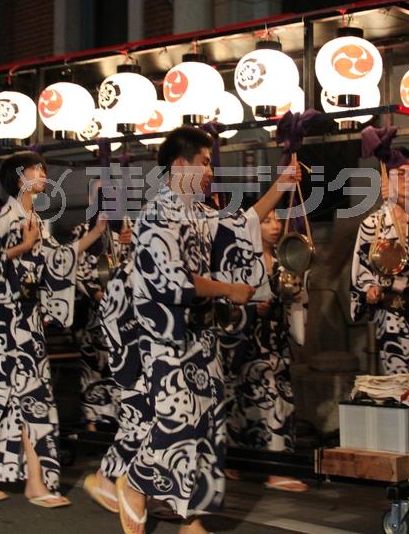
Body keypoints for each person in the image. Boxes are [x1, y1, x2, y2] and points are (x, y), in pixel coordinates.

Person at [107, 127, 296, 534]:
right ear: (180, 165)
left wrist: (280, 187)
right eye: (205, 161)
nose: (211, 170)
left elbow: (243, 225)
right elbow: (172, 282)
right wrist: (228, 288)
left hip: (202, 338)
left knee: (209, 428)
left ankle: (192, 518)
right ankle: (136, 483)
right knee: (176, 425)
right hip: (169, 339)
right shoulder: (157, 215)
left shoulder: (198, 212)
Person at [0, 152, 106, 507]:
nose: (42, 174)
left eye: (42, 169)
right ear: (17, 176)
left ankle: (35, 481)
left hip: (26, 321)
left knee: (34, 402)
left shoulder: (35, 218)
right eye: (35, 169)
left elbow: (60, 258)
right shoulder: (5, 217)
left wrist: (99, 230)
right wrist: (21, 249)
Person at [227, 208, 309, 492]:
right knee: (253, 402)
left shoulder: (282, 261)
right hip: (247, 344)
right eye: (266, 220)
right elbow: (230, 302)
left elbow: (298, 299)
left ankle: (271, 466)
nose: (275, 226)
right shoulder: (242, 262)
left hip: (275, 342)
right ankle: (259, 465)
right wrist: (252, 308)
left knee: (279, 399)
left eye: (276, 220)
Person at [351, 148, 409, 374]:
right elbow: (361, 270)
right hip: (392, 316)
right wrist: (370, 290)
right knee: (400, 383)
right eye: (398, 174)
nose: (406, 179)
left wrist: (400, 199)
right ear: (385, 179)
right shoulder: (372, 224)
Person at [70, 195, 132, 432]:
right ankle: (93, 418)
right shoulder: (84, 230)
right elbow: (76, 270)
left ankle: (120, 415)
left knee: (120, 364)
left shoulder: (127, 229)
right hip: (94, 312)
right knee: (93, 365)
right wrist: (97, 294)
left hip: (123, 310)